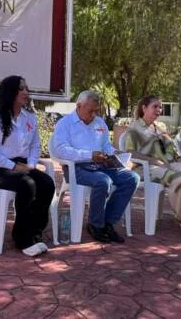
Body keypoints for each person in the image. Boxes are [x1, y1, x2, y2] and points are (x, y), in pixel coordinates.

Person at [51, 91, 140, 243]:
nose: (93, 115)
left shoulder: (99, 123)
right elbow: (61, 151)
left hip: (100, 165)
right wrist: (89, 155)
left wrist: (115, 153)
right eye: (90, 111)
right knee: (103, 180)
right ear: (79, 106)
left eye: (96, 111)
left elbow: (106, 145)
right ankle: (95, 224)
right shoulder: (65, 123)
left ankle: (108, 223)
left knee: (132, 178)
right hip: (76, 168)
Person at [0, 76, 55, 257]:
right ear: (11, 92)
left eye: (26, 88)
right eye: (21, 89)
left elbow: (35, 146)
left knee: (47, 183)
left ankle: (35, 231)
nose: (25, 92)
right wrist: (13, 166)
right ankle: (22, 238)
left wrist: (31, 164)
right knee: (27, 184)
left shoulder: (29, 117)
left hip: (23, 164)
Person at [123, 95, 181, 244]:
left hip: (167, 163)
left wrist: (179, 159)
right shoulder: (134, 128)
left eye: (160, 107)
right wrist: (153, 160)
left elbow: (171, 149)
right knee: (179, 180)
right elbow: (131, 153)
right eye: (155, 106)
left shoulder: (160, 127)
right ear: (144, 108)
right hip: (146, 168)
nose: (159, 110)